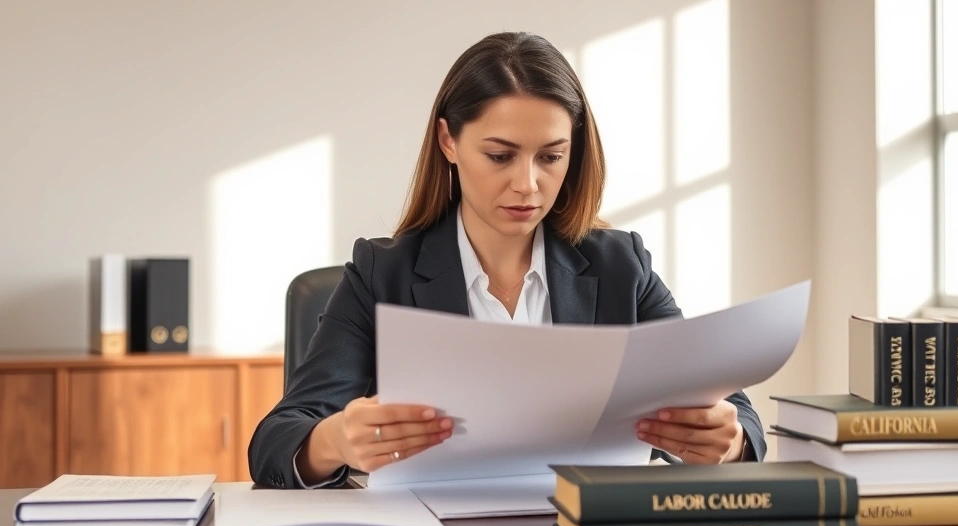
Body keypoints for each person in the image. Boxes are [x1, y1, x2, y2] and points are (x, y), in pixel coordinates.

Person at [248, 31, 766, 489]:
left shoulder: (620, 267)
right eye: (500, 156)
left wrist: (728, 439)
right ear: (449, 140)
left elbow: (735, 413)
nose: (527, 184)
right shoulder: (382, 274)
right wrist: (334, 441)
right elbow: (276, 439)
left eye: (551, 156)